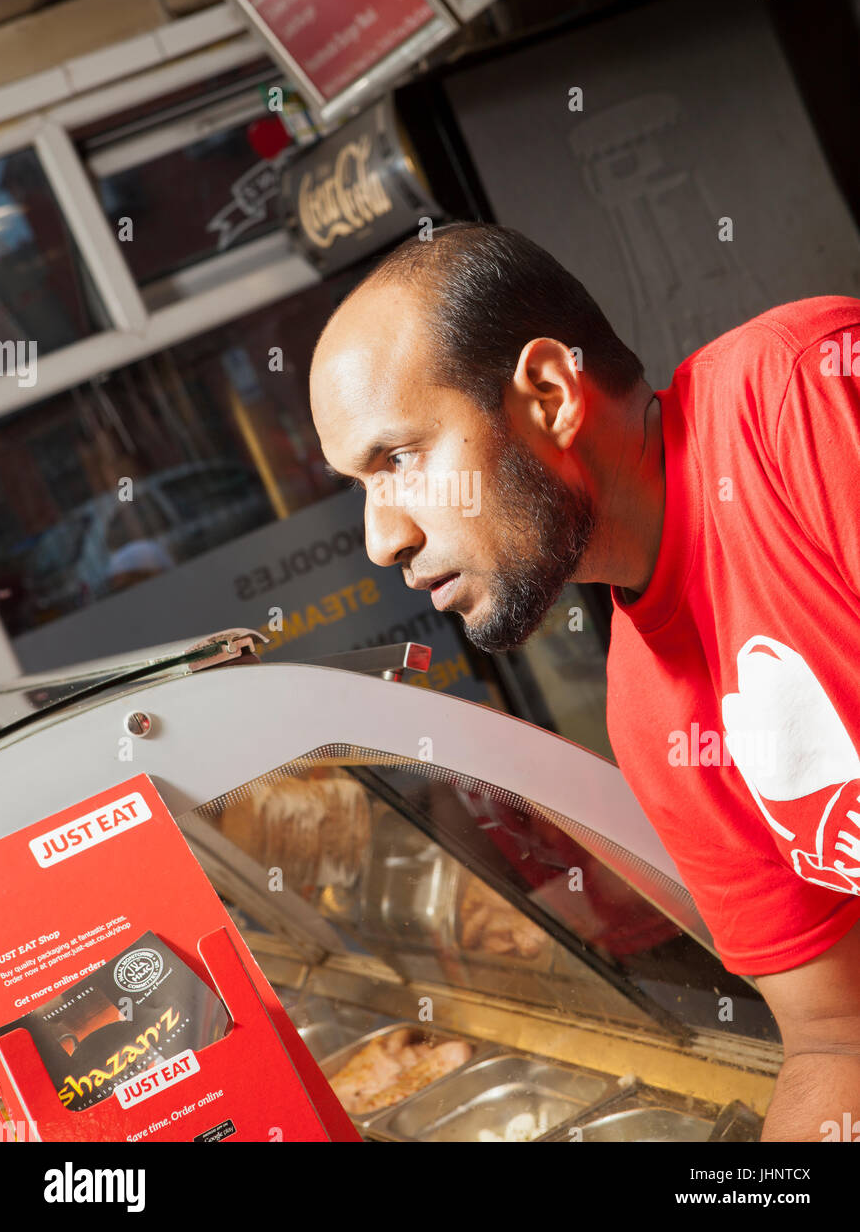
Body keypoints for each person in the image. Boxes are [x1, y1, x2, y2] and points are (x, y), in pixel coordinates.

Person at [309, 220, 860, 1142]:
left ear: (552, 394)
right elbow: (838, 1034)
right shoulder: (650, 715)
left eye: (399, 460)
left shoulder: (800, 400)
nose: (383, 540)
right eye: (360, 487)